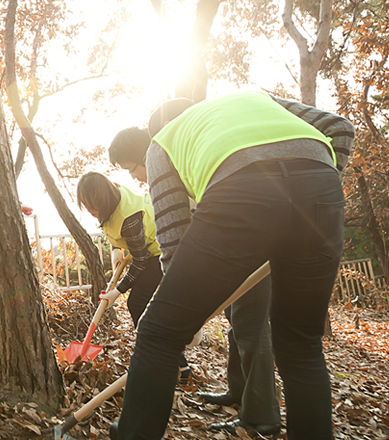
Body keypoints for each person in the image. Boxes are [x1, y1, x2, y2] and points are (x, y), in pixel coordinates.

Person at [111, 91, 354, 440]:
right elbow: (341, 128)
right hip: (320, 187)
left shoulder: (162, 144)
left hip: (242, 188)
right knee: (300, 344)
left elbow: (174, 244)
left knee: (159, 333)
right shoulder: (254, 97)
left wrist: (184, 319)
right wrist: (314, 194)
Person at [110, 106, 281, 434]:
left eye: (131, 169)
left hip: (249, 245)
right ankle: (238, 391)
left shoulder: (174, 163)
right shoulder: (177, 164)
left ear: (145, 153)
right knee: (238, 324)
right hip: (231, 252)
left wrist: (183, 308)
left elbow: (175, 245)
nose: (132, 177)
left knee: (250, 327)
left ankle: (263, 417)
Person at [76, 172, 193, 377]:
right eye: (86, 204)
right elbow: (113, 228)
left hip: (159, 253)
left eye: (93, 205)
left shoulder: (129, 218)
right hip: (145, 252)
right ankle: (178, 364)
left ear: (104, 199)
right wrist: (115, 251)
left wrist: (118, 290)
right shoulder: (112, 199)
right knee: (141, 305)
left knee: (137, 304)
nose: (90, 210)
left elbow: (140, 260)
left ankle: (166, 358)